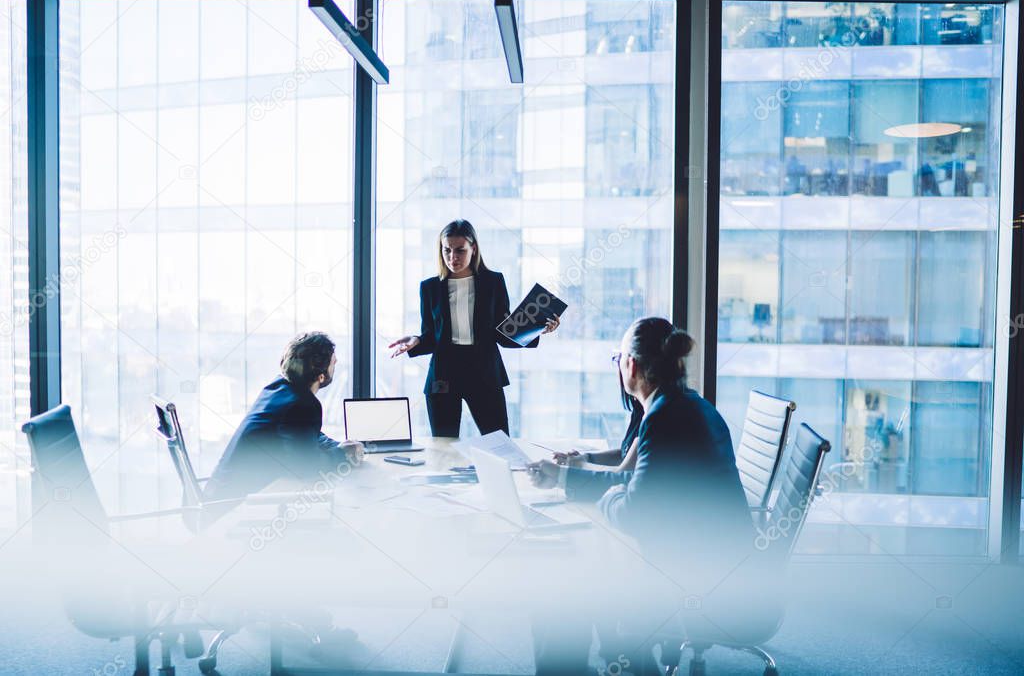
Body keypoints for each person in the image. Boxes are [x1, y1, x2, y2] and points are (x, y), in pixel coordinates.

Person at [528, 317, 755, 675]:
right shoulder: (683, 404)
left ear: (631, 365)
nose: (617, 365)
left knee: (561, 589)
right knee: (585, 571)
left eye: (617, 357)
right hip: (716, 558)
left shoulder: (666, 418)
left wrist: (594, 490)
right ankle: (630, 660)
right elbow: (637, 482)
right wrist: (571, 478)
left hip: (705, 576)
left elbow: (635, 510)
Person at [387, 219, 560, 437]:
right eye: (447, 250)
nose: (452, 257)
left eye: (460, 250)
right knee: (444, 450)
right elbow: (432, 336)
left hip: (484, 373)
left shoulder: (493, 282)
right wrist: (416, 340)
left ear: (473, 248)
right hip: (444, 375)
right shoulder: (429, 288)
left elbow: (504, 334)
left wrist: (539, 330)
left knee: (499, 445)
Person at [203, 332, 364, 517]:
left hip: (217, 495)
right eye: (333, 363)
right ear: (321, 376)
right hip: (229, 510)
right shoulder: (303, 404)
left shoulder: (279, 387)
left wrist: (336, 446)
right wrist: (343, 455)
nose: (335, 365)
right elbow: (307, 467)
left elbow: (306, 433)